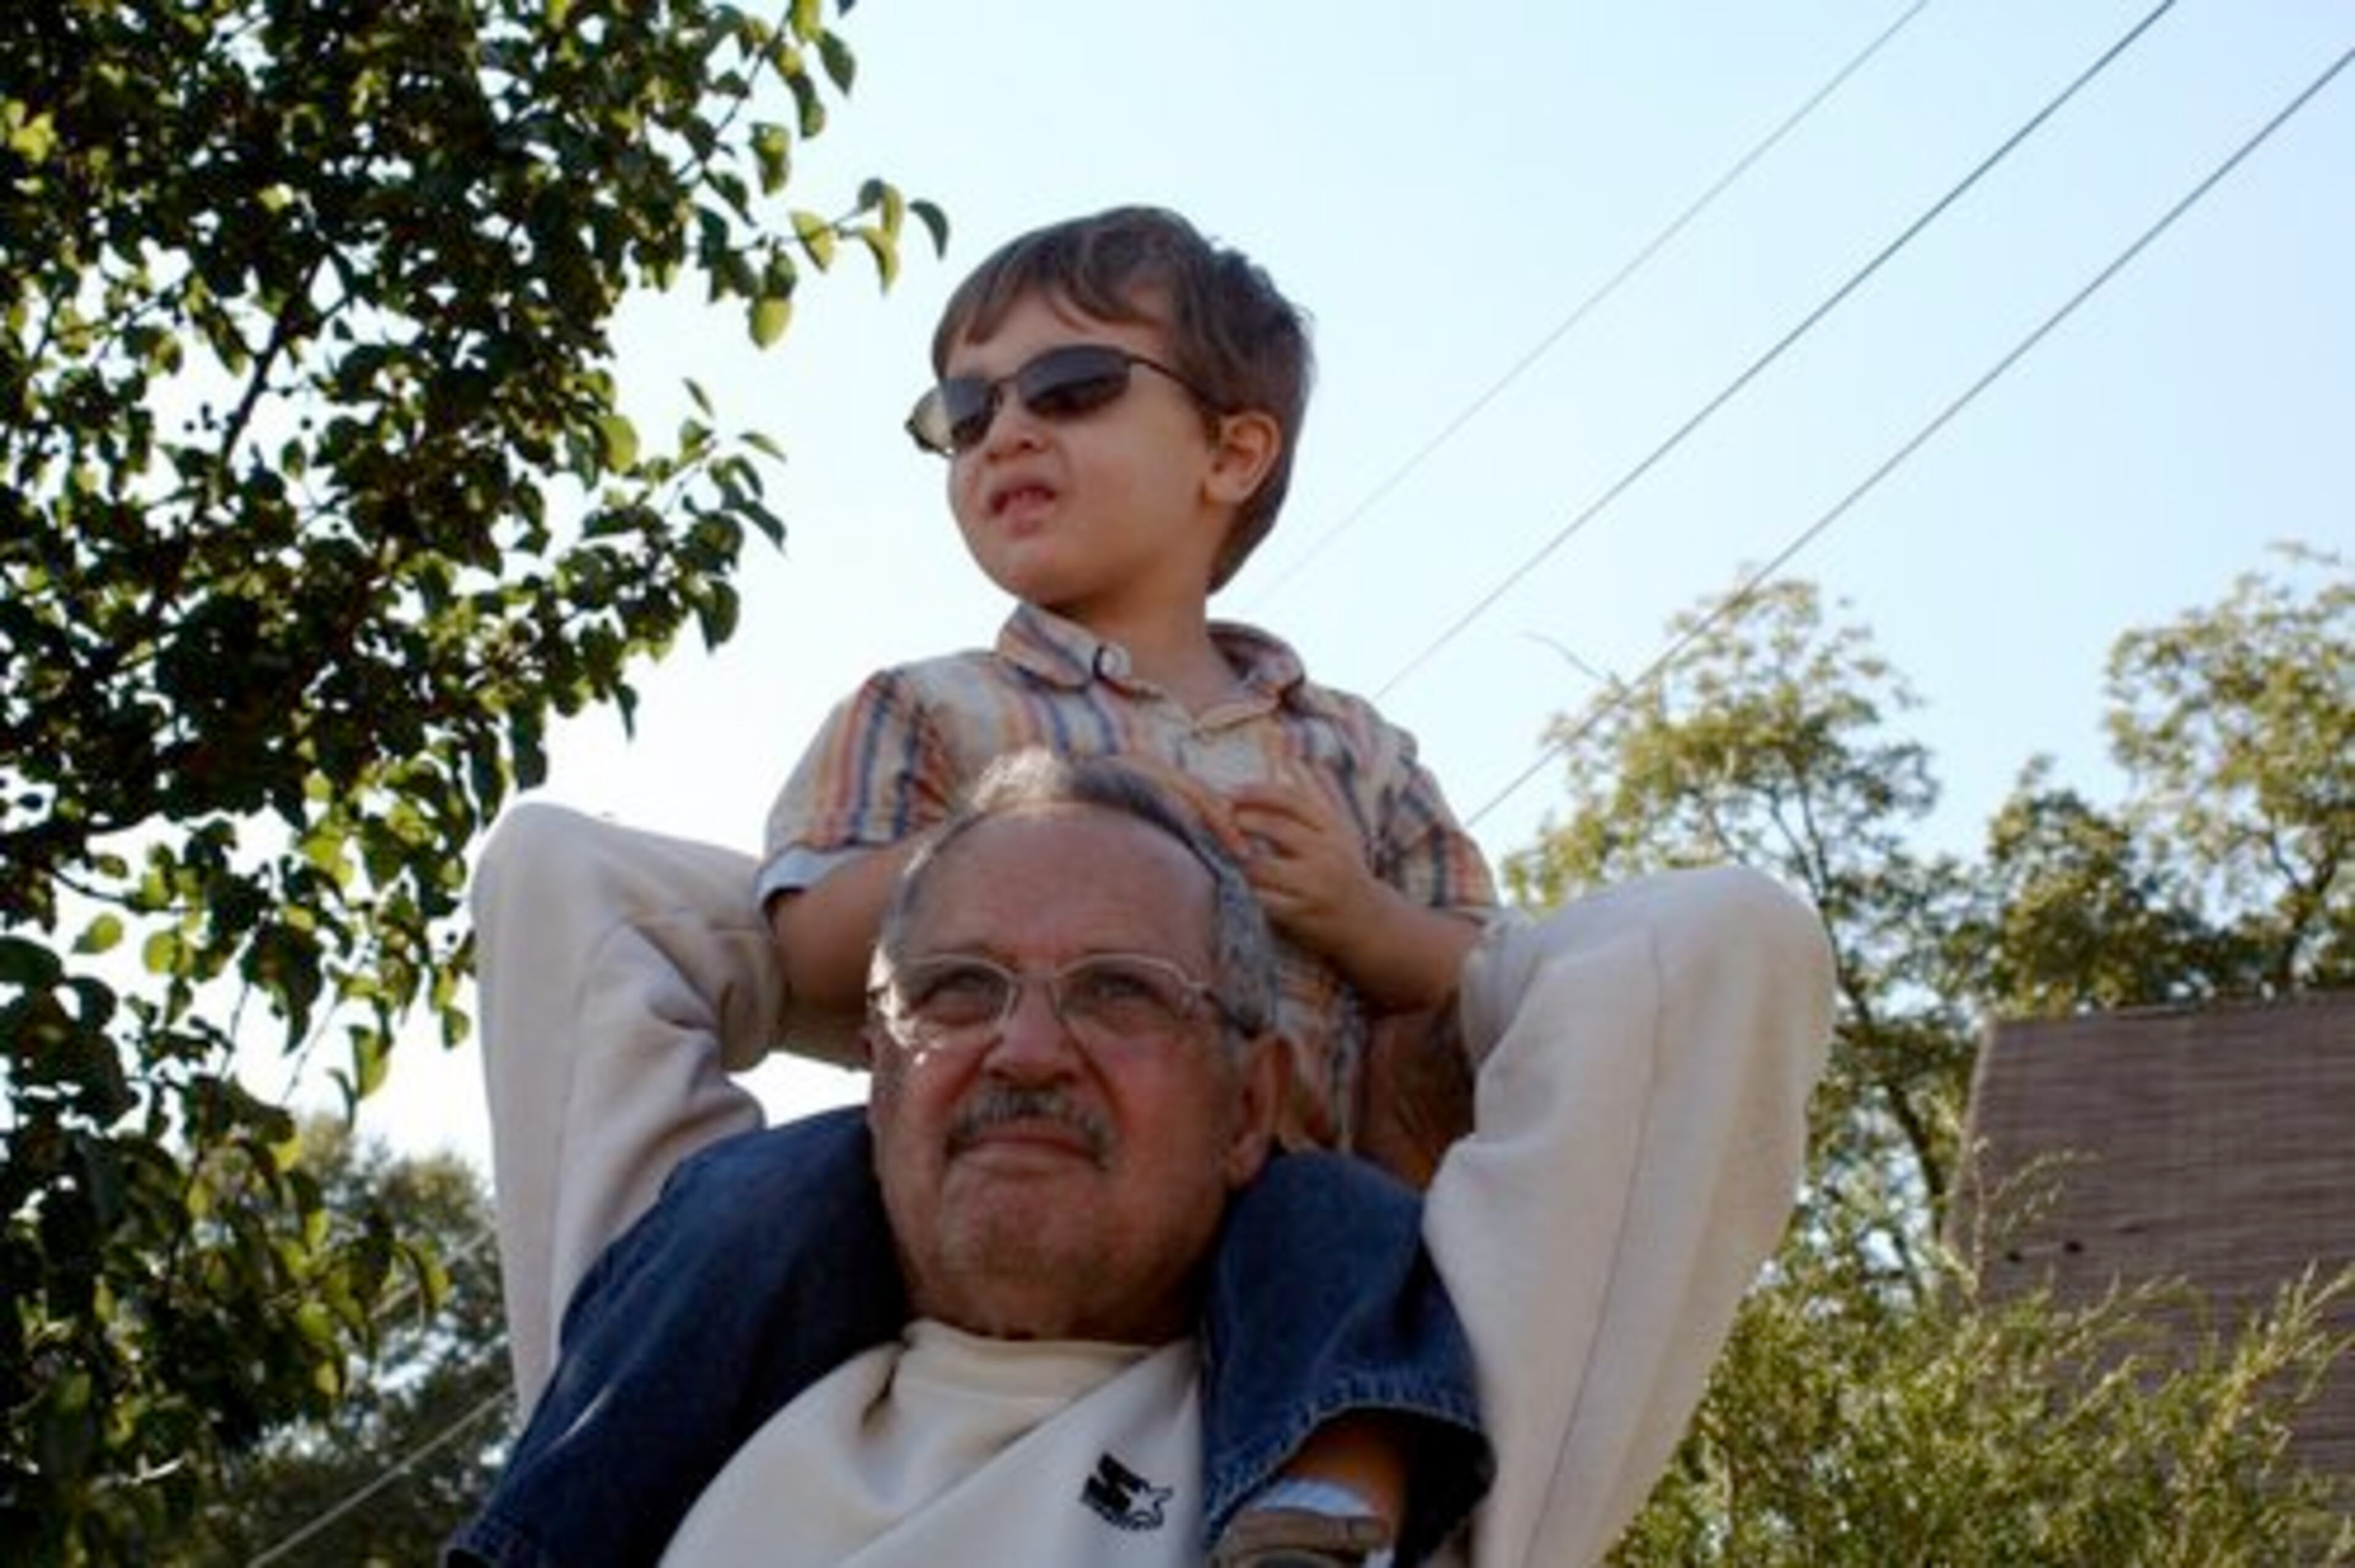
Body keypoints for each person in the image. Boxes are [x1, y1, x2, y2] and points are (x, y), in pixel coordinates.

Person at [467, 206, 1511, 1565]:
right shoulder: (933, 710)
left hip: (1254, 1200)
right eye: (963, 412)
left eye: (1071, 388)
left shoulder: (1348, 751)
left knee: (1355, 1231)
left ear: (1232, 450)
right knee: (744, 1208)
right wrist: (999, 828)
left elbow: (1484, 986)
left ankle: (1314, 1514)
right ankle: (547, 1534)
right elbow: (812, 945)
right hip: (976, 1189)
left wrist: (1360, 921)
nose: (1005, 431)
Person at [446, 751, 1835, 1566]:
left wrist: (1382, 949)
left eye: (1121, 991)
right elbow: (563, 877)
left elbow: (1715, 948)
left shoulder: (1393, 1445)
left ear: (1253, 1109)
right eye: (960, 992)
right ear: (871, 1080)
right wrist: (1033, 816)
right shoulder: (675, 1356)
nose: (1029, 1050)